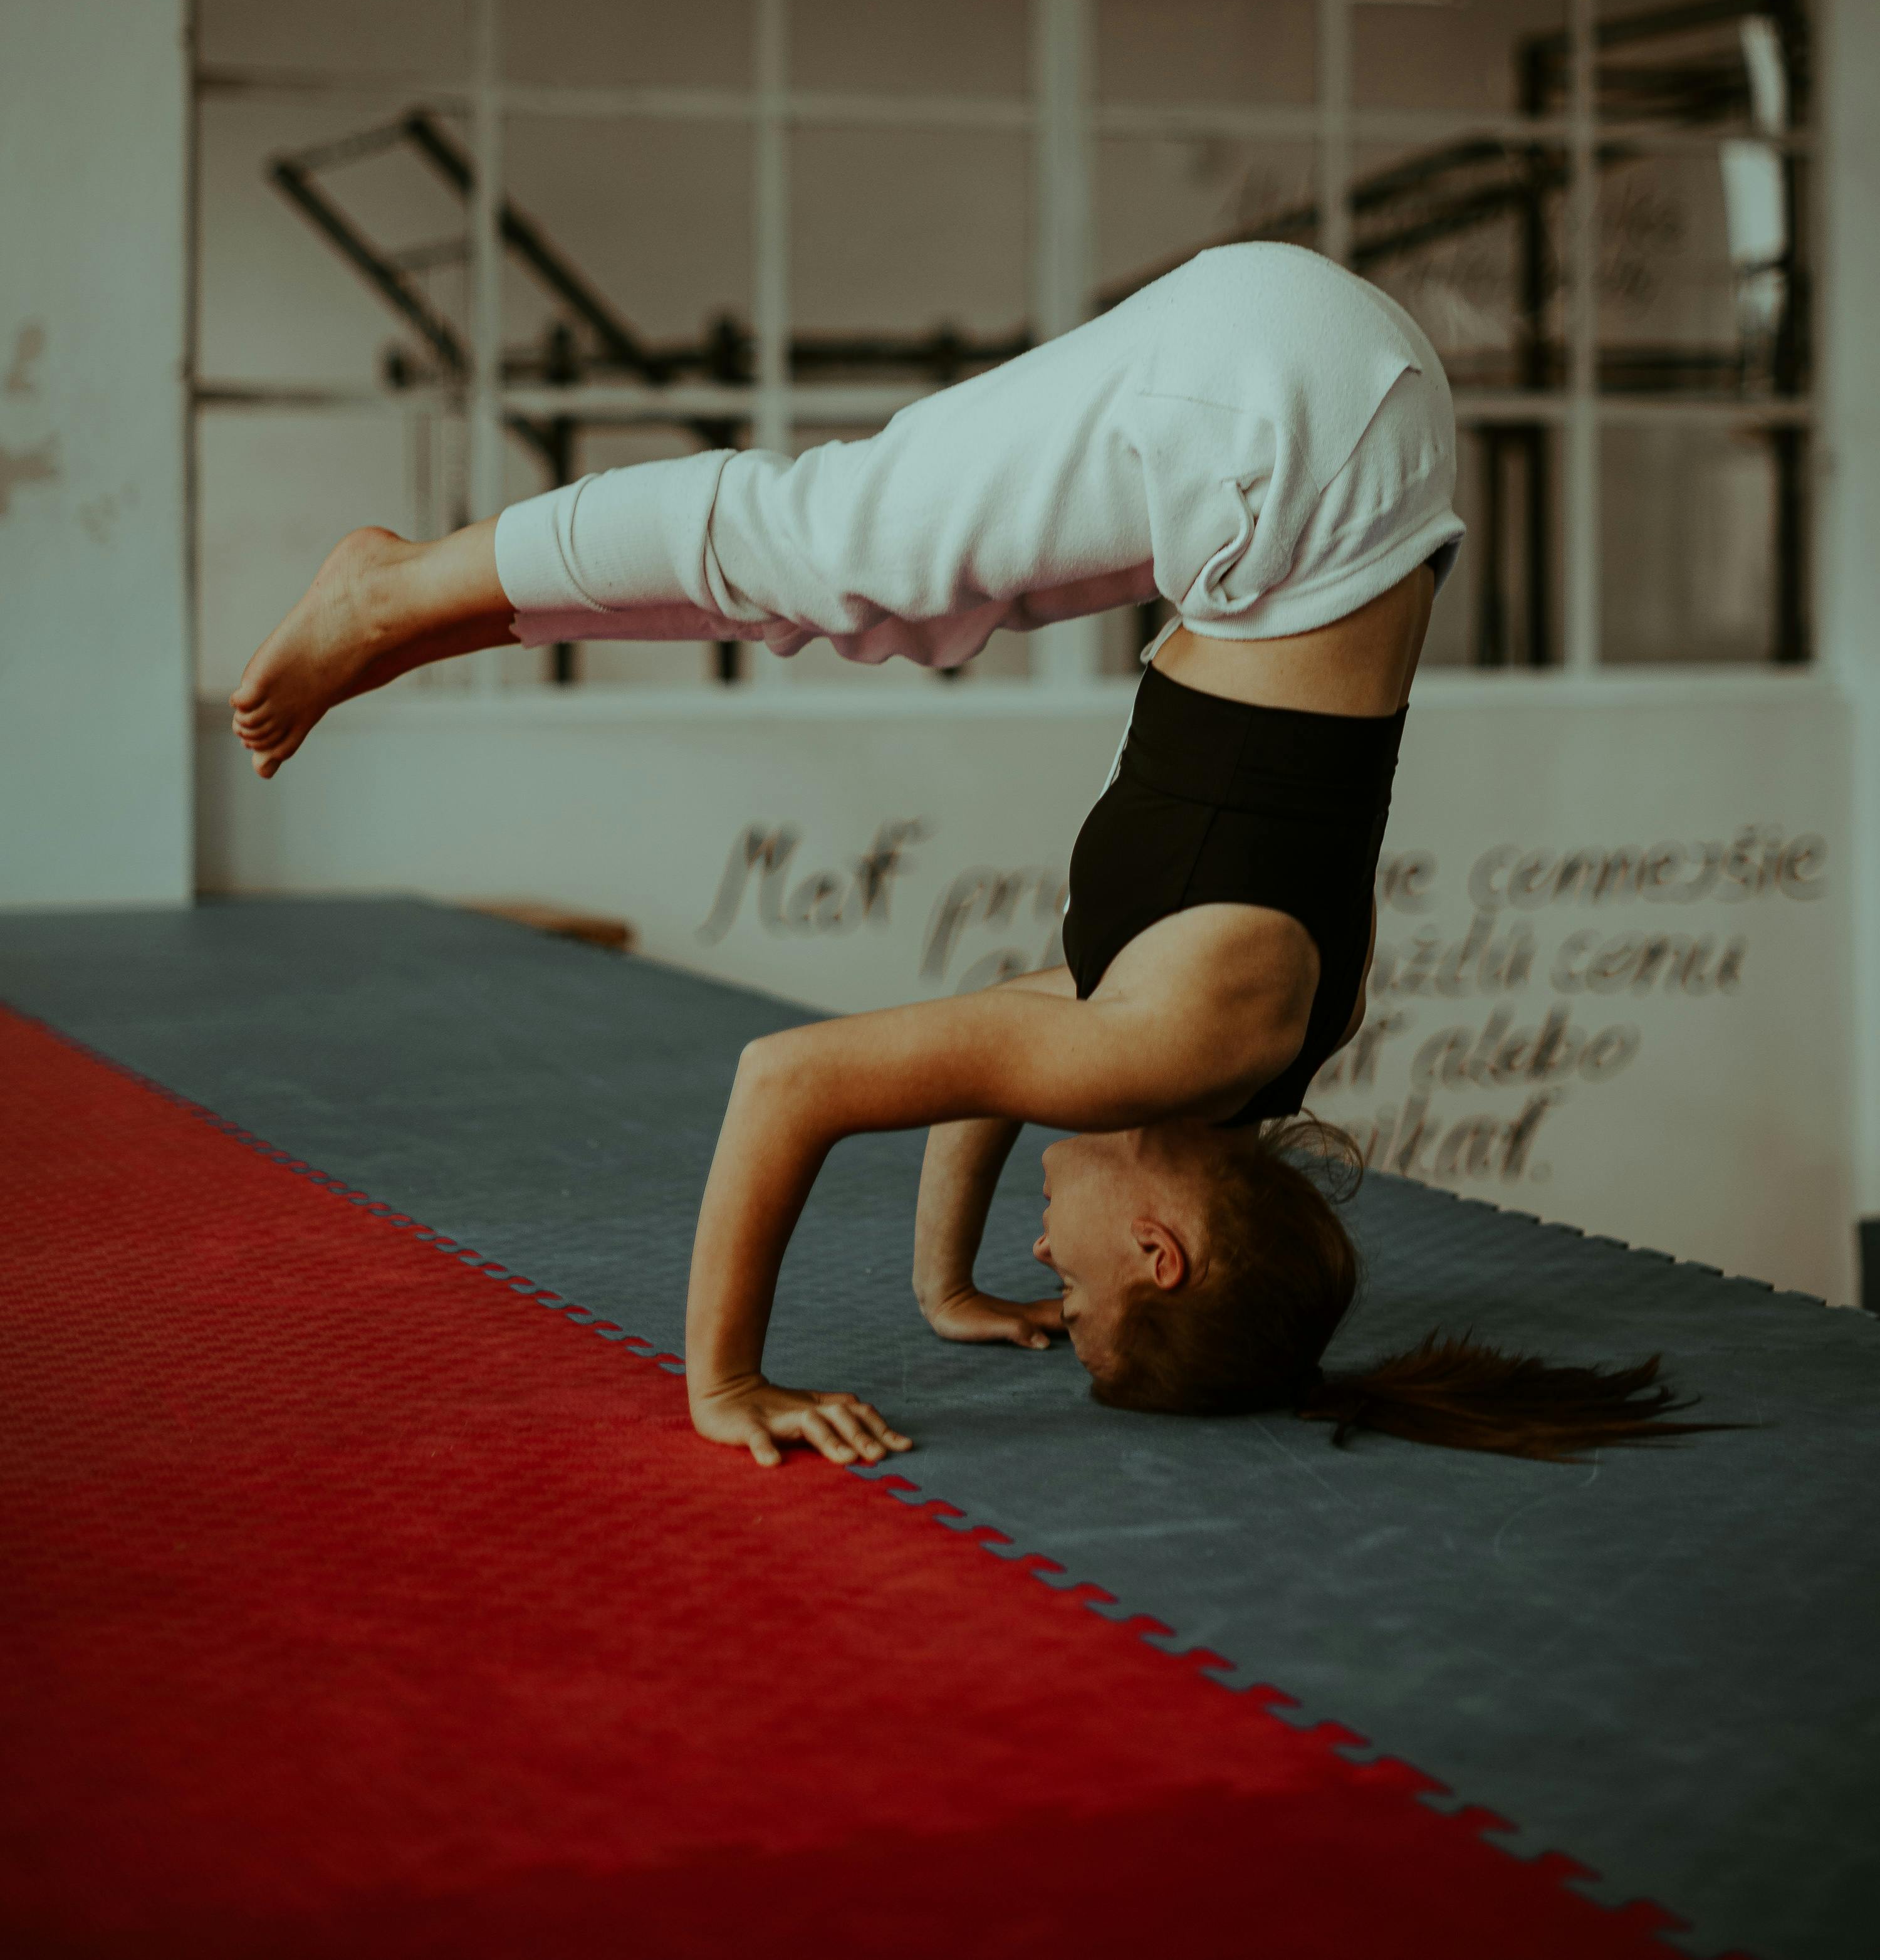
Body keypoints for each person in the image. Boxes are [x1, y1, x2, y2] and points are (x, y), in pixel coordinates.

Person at [232, 245, 1703, 1471]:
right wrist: (728, 1384)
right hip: (1287, 425)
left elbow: (987, 1065)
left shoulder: (1229, 1042)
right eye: (1085, 1295)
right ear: (1162, 1252)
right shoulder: (1165, 1044)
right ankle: (394, 587)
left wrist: (947, 1290)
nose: (1053, 1274)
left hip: (1336, 438)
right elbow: (788, 1083)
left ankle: (431, 610)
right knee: (828, 545)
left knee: (890, 609)